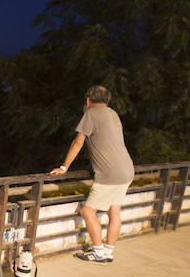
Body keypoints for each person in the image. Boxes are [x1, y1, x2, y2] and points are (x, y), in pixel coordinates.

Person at [49, 85, 134, 263]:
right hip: (127, 169)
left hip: (109, 174)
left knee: (87, 212)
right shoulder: (113, 114)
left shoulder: (91, 114)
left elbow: (78, 142)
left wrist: (64, 167)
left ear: (88, 100)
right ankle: (109, 251)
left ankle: (98, 252)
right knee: (114, 211)